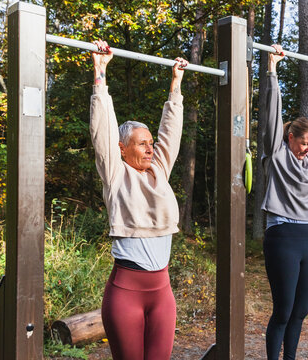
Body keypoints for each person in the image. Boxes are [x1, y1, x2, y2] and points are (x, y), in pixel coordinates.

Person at [89, 39, 188, 360]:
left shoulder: (159, 170)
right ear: (121, 149)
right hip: (126, 293)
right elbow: (102, 132)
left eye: (150, 142)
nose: (150, 148)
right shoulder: (115, 174)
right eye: (141, 143)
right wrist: (100, 74)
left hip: (162, 292)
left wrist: (176, 84)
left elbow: (170, 133)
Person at [261, 44, 308, 360]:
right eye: (304, 143)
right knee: (284, 311)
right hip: (282, 236)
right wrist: (272, 70)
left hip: (307, 238)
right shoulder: (276, 153)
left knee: (301, 310)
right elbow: (272, 114)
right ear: (290, 138)